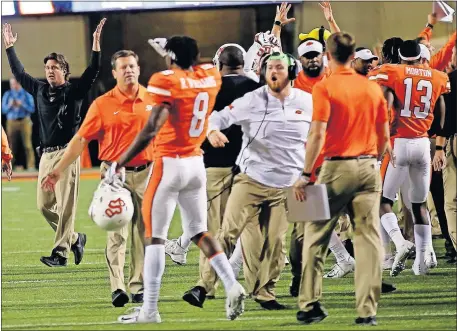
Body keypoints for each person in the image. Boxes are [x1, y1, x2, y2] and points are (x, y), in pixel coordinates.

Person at [110, 36, 245, 324]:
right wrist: (171, 54)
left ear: (171, 57)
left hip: (168, 164)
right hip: (196, 163)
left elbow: (151, 128)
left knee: (155, 238)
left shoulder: (163, 80)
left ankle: (150, 309)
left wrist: (119, 162)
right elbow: (193, 71)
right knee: (199, 231)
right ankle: (232, 284)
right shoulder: (210, 76)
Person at [184, 52, 312, 311]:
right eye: (270, 68)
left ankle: (265, 294)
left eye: (279, 67)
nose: (274, 72)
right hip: (251, 180)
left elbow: (322, 134)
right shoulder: (253, 99)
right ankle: (203, 286)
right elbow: (217, 117)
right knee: (227, 232)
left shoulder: (308, 102)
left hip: (286, 185)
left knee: (275, 242)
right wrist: (212, 130)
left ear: (292, 72)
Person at [293, 32, 389, 326]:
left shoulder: (325, 87)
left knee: (314, 235)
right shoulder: (372, 88)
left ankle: (310, 305)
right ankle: (367, 311)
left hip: (335, 168)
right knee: (369, 240)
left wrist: (306, 174)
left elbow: (317, 133)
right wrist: (374, 161)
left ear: (327, 56)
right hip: (369, 166)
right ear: (353, 56)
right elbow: (384, 136)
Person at [42, 50, 150, 307]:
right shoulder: (103, 104)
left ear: (139, 68)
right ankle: (118, 287)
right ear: (114, 72)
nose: (128, 71)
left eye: (132, 66)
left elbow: (166, 134)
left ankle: (139, 286)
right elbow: (80, 139)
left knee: (143, 233)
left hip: (147, 172)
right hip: (114, 175)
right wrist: (59, 169)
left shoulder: (152, 99)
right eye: (123, 67)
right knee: (117, 233)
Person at [2, 19, 105, 267]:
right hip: (46, 156)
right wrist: (10, 49)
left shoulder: (74, 90)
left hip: (67, 154)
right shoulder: (38, 90)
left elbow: (93, 72)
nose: (50, 70)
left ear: (65, 71)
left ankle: (60, 253)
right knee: (43, 205)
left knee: (66, 206)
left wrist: (95, 47)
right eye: (47, 66)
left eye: (55, 67)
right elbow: (19, 73)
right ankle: (75, 238)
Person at [165, 44, 259, 285]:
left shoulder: (209, 89)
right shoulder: (257, 89)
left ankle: (208, 285)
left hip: (214, 166)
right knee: (250, 230)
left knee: (214, 230)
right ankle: (257, 285)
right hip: (250, 168)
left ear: (219, 64)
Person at [376, 40, 450, 276]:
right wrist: (435, 135)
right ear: (420, 55)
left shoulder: (391, 71)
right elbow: (441, 116)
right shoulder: (437, 76)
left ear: (399, 55)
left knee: (383, 201)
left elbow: (385, 106)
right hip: (422, 144)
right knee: (419, 204)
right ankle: (422, 260)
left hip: (398, 142)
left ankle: (400, 242)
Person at [435, 46, 456, 260]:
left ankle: (453, 245)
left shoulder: (449, 81)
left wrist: (439, 148)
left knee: (450, 201)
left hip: (451, 140)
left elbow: (445, 120)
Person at [1, 77, 35, 170]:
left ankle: (31, 166)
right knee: (10, 145)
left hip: (25, 121)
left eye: (15, 83)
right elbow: (3, 110)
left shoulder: (26, 94)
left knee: (28, 145)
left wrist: (22, 105)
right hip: (12, 122)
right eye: (12, 84)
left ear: (19, 83)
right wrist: (10, 105)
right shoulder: (8, 94)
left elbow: (32, 109)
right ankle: (8, 166)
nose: (13, 86)